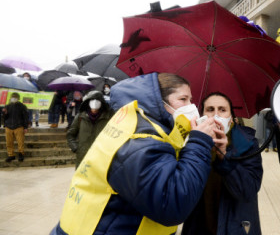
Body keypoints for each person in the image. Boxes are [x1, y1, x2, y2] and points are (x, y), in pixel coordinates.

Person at [50, 72, 219, 234]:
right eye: (183, 99)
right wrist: (199, 142)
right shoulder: (140, 139)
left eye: (191, 100)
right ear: (158, 102)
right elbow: (172, 204)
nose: (191, 106)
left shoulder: (142, 126)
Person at [181, 92, 263, 235]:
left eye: (222, 110)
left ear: (231, 118)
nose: (216, 115)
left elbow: (248, 191)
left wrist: (224, 156)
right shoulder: (190, 141)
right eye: (210, 110)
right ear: (202, 116)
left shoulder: (248, 143)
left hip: (234, 226)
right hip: (198, 224)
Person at [67, 91, 114, 169]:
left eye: (97, 100)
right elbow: (70, 135)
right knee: (82, 179)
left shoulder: (108, 117)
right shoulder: (80, 117)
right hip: (83, 156)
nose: (95, 103)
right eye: (92, 100)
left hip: (102, 156)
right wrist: (76, 148)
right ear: (88, 102)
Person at [3, 93, 29, 162]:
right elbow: (4, 118)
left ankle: (21, 154)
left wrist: (25, 127)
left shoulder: (22, 106)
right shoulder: (7, 106)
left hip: (19, 126)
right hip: (8, 126)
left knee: (20, 142)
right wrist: (4, 113)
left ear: (18, 98)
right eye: (12, 97)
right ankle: (11, 155)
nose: (13, 98)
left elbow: (25, 117)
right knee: (9, 142)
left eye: (15, 97)